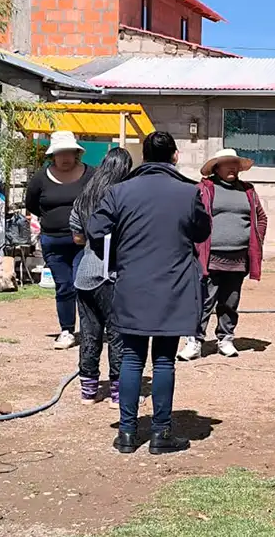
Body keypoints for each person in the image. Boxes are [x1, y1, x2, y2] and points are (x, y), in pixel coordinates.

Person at [87, 131, 211, 455]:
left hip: (132, 285)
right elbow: (202, 231)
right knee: (164, 360)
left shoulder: (119, 191)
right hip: (173, 285)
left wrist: (113, 259)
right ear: (175, 155)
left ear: (143, 156)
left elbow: (94, 229)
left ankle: (127, 433)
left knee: (131, 357)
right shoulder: (188, 192)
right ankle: (160, 434)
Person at [178, 149, 268, 361]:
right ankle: (194, 341)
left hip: (238, 258)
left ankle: (225, 338)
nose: (232, 167)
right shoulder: (204, 188)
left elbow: (261, 217)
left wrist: (256, 238)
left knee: (230, 300)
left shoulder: (248, 190)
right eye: (227, 164)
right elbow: (190, 217)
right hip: (210, 256)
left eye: (235, 164)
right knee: (204, 300)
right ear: (216, 168)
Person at [69, 147, 133, 405]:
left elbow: (77, 236)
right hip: (112, 275)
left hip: (85, 273)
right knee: (117, 333)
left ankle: (88, 391)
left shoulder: (84, 195)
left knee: (89, 333)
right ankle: (118, 393)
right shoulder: (123, 196)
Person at [25, 130, 93, 349]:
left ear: (76, 153)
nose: (65, 158)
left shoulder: (91, 175)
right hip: (52, 241)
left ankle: (90, 329)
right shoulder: (40, 178)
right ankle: (67, 330)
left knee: (82, 284)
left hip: (82, 242)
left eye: (69, 152)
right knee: (63, 286)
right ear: (52, 155)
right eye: (60, 153)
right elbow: (32, 204)